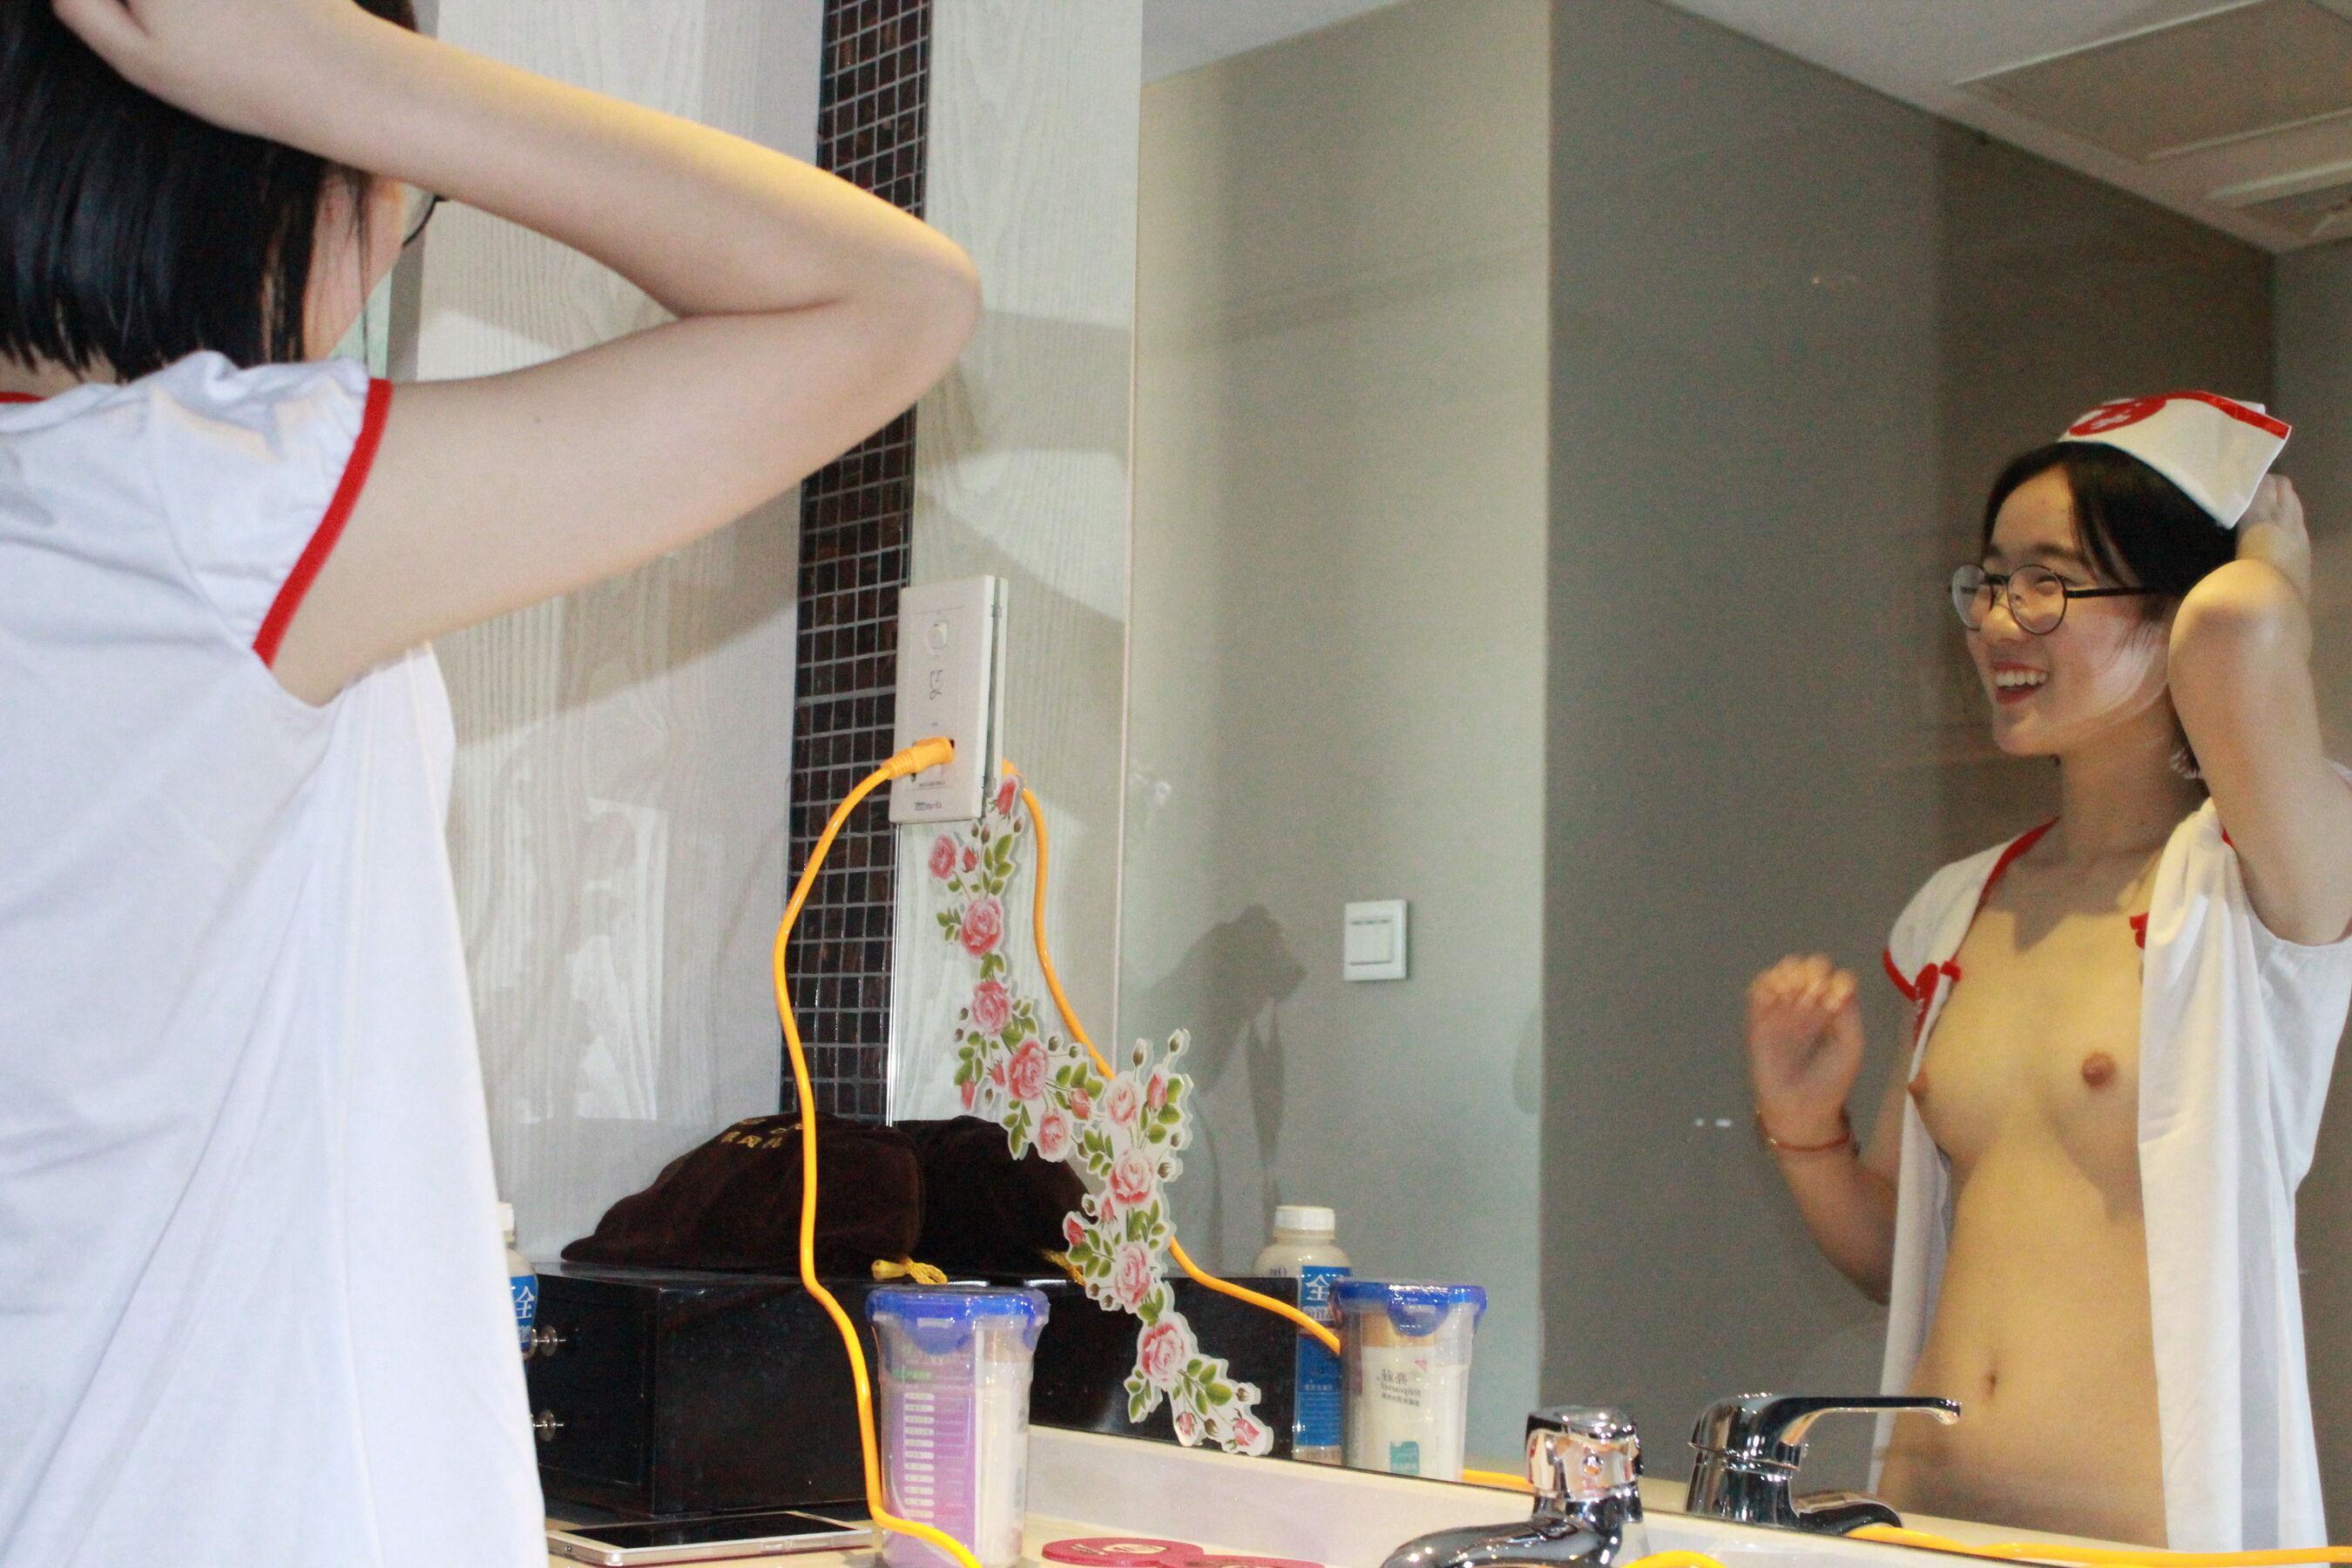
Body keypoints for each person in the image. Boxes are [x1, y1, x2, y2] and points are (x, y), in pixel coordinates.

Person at [0, 0, 979, 1563]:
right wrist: (332, 70)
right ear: (259, 156)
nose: (387, 243)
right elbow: (895, 297)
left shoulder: (89, 512)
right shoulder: (199, 512)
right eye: (393, 196)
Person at [1743, 393, 2352, 1551]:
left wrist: (2266, 552)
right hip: (1927, 1516)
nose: (1997, 623)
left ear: (2175, 606)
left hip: (2141, 1533)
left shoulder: (2261, 884)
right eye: (1988, 583)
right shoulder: (1960, 907)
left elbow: (2238, 633)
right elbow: (1894, 1259)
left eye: (2049, 583)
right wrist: (1806, 1128)